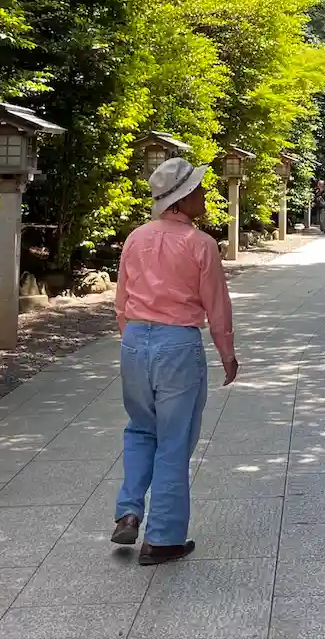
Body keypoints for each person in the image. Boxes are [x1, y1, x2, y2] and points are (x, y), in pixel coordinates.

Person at [112, 157, 239, 565]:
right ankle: (162, 537)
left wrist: (134, 340)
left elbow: (121, 301)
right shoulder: (200, 244)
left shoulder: (136, 239)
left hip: (135, 339)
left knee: (140, 429)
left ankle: (129, 510)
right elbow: (216, 306)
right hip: (177, 343)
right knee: (174, 438)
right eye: (198, 189)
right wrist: (226, 353)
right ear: (180, 200)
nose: (204, 194)